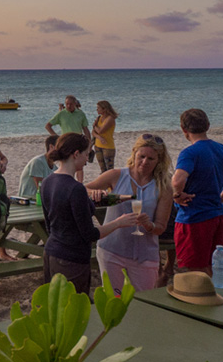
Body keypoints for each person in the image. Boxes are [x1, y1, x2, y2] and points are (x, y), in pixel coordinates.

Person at [41, 133, 143, 296]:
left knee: (54, 307)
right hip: (72, 258)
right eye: (87, 154)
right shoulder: (76, 188)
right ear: (76, 154)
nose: (88, 160)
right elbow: (90, 234)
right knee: (74, 309)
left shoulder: (47, 181)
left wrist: (93, 201)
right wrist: (119, 222)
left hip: (51, 252)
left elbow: (50, 223)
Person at [85, 133, 174, 292]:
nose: (145, 162)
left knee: (143, 302)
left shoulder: (164, 186)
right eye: (141, 156)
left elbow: (160, 227)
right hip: (111, 249)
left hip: (145, 254)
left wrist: (148, 225)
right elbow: (83, 189)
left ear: (159, 161)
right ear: (134, 153)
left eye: (151, 159)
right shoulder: (117, 175)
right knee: (114, 302)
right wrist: (95, 193)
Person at [170, 109, 223, 275]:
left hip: (194, 217)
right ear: (207, 126)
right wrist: (222, 197)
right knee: (212, 266)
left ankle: (199, 298)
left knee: (194, 270)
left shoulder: (189, 152)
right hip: (217, 215)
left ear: (183, 129)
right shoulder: (221, 149)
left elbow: (177, 180)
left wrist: (177, 195)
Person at [46, 96, 92, 182]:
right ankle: (66, 180)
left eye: (71, 104)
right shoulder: (61, 114)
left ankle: (79, 183)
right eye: (67, 104)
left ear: (75, 104)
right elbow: (48, 126)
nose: (68, 106)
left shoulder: (80, 114)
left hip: (78, 141)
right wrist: (57, 137)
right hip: (66, 143)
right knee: (65, 162)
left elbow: (85, 129)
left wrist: (89, 143)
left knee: (79, 164)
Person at [91, 101, 118, 173]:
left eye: (98, 108)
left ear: (104, 109)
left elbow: (100, 131)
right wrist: (99, 138)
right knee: (102, 169)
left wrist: (94, 126)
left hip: (108, 146)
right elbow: (93, 132)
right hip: (98, 145)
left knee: (109, 170)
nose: (97, 110)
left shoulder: (110, 118)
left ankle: (110, 184)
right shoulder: (99, 118)